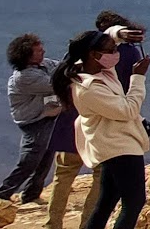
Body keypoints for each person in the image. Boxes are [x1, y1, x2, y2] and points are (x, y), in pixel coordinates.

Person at [56, 28, 150, 229]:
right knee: (133, 203)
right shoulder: (89, 88)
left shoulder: (98, 71)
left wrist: (120, 33)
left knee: (106, 201)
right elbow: (128, 110)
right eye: (110, 50)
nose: (115, 54)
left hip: (110, 144)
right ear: (94, 54)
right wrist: (138, 78)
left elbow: (106, 36)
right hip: (119, 145)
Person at [0, 34, 61, 204]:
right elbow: (57, 83)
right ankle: (2, 194)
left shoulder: (43, 65)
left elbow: (60, 68)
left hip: (46, 116)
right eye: (38, 50)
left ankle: (31, 194)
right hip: (34, 121)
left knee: (46, 158)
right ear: (27, 55)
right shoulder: (25, 77)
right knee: (30, 160)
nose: (43, 51)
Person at [44, 62, 95, 229]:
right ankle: (88, 223)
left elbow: (52, 99)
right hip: (93, 133)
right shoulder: (98, 72)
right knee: (101, 177)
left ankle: (53, 223)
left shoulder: (68, 70)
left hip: (67, 131)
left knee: (62, 177)